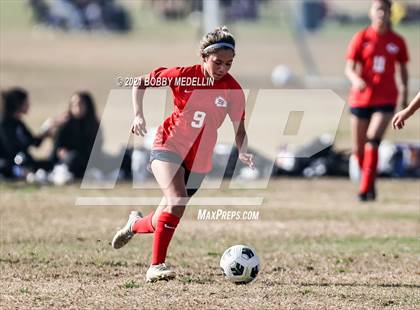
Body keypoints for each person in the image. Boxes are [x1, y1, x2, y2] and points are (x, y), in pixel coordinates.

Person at [111, 26, 254, 282]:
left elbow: (240, 130)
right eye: (217, 62)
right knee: (177, 199)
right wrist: (138, 114)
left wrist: (243, 151)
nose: (223, 69)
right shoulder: (184, 75)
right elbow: (140, 82)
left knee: (162, 218)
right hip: (168, 145)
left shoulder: (233, 91)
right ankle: (156, 266)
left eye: (229, 64)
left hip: (199, 159)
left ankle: (134, 224)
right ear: (204, 57)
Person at [345, 0, 409, 201]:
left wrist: (405, 94)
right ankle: (370, 184)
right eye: (378, 9)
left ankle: (364, 191)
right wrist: (356, 80)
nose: (381, 14)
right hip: (360, 99)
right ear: (371, 12)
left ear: (390, 13)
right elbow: (349, 67)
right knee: (358, 148)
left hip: (386, 98)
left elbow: (403, 71)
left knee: (373, 139)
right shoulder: (361, 37)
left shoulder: (396, 41)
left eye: (385, 10)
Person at [0, 87, 52, 178]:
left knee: (49, 164)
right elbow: (11, 148)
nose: (29, 104)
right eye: (26, 102)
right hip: (7, 161)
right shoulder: (4, 123)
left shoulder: (18, 122)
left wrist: (45, 132)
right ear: (17, 104)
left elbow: (34, 143)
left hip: (20, 160)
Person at [51, 91, 102, 179]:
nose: (77, 107)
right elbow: (58, 148)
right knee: (74, 159)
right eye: (74, 104)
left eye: (80, 104)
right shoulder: (65, 123)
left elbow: (97, 146)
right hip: (69, 159)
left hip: (88, 158)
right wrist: (63, 153)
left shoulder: (93, 124)